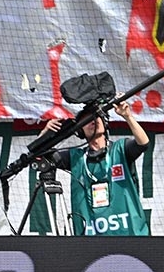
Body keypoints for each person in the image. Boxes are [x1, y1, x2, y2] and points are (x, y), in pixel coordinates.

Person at [42, 101, 151, 236]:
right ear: (80, 130)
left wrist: (128, 116)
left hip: (130, 237)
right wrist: (45, 134)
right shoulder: (76, 158)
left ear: (104, 122)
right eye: (86, 120)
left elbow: (143, 143)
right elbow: (41, 159)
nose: (93, 121)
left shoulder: (121, 149)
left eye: (96, 116)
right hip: (91, 244)